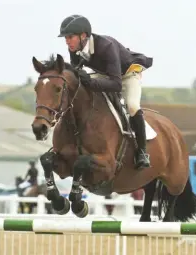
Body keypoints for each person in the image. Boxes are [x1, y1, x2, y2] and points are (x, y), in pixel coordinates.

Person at [58, 15, 153, 169]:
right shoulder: (75, 49)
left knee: (132, 105)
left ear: (83, 36)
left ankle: (142, 152)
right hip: (105, 74)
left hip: (127, 75)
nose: (67, 41)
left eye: (70, 37)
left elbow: (116, 84)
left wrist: (89, 82)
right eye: (65, 38)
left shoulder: (106, 46)